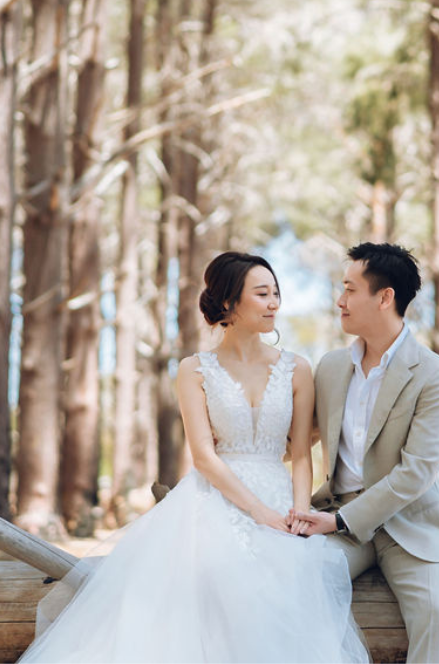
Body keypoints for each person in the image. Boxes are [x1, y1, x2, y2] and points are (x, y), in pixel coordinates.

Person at [19, 251, 368, 663]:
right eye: (261, 293)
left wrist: (296, 513)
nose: (274, 302)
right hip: (213, 500)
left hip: (281, 498)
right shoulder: (194, 369)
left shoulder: (297, 368)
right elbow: (203, 456)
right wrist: (259, 513)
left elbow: (302, 456)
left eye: (276, 292)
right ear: (227, 303)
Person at [291, 242, 439, 664]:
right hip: (337, 522)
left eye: (350, 290)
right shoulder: (332, 367)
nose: (340, 300)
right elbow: (301, 440)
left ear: (384, 297)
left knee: (434, 612)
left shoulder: (437, 376)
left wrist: (337, 521)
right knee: (298, 582)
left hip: (414, 526)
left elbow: (417, 473)